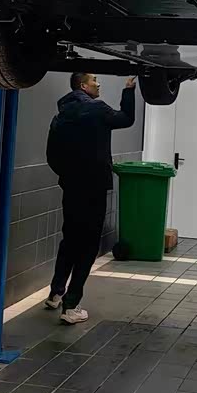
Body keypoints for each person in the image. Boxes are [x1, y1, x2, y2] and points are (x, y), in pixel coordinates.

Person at [44, 73, 136, 324]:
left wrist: (68, 176)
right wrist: (129, 90)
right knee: (88, 245)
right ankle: (71, 306)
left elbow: (51, 155)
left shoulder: (61, 116)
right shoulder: (97, 109)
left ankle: (55, 293)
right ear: (83, 85)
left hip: (71, 187)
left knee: (70, 239)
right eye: (94, 80)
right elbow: (126, 119)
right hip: (94, 187)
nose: (98, 83)